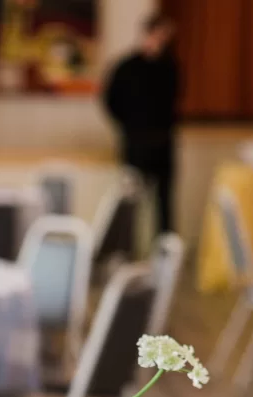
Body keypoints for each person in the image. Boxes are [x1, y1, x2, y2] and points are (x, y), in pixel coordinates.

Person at [103, 13, 179, 233]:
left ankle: (164, 248)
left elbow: (173, 101)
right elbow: (111, 101)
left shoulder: (169, 66)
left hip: (163, 143)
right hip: (136, 143)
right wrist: (129, 126)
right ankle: (128, 250)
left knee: (164, 202)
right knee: (132, 200)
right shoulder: (126, 68)